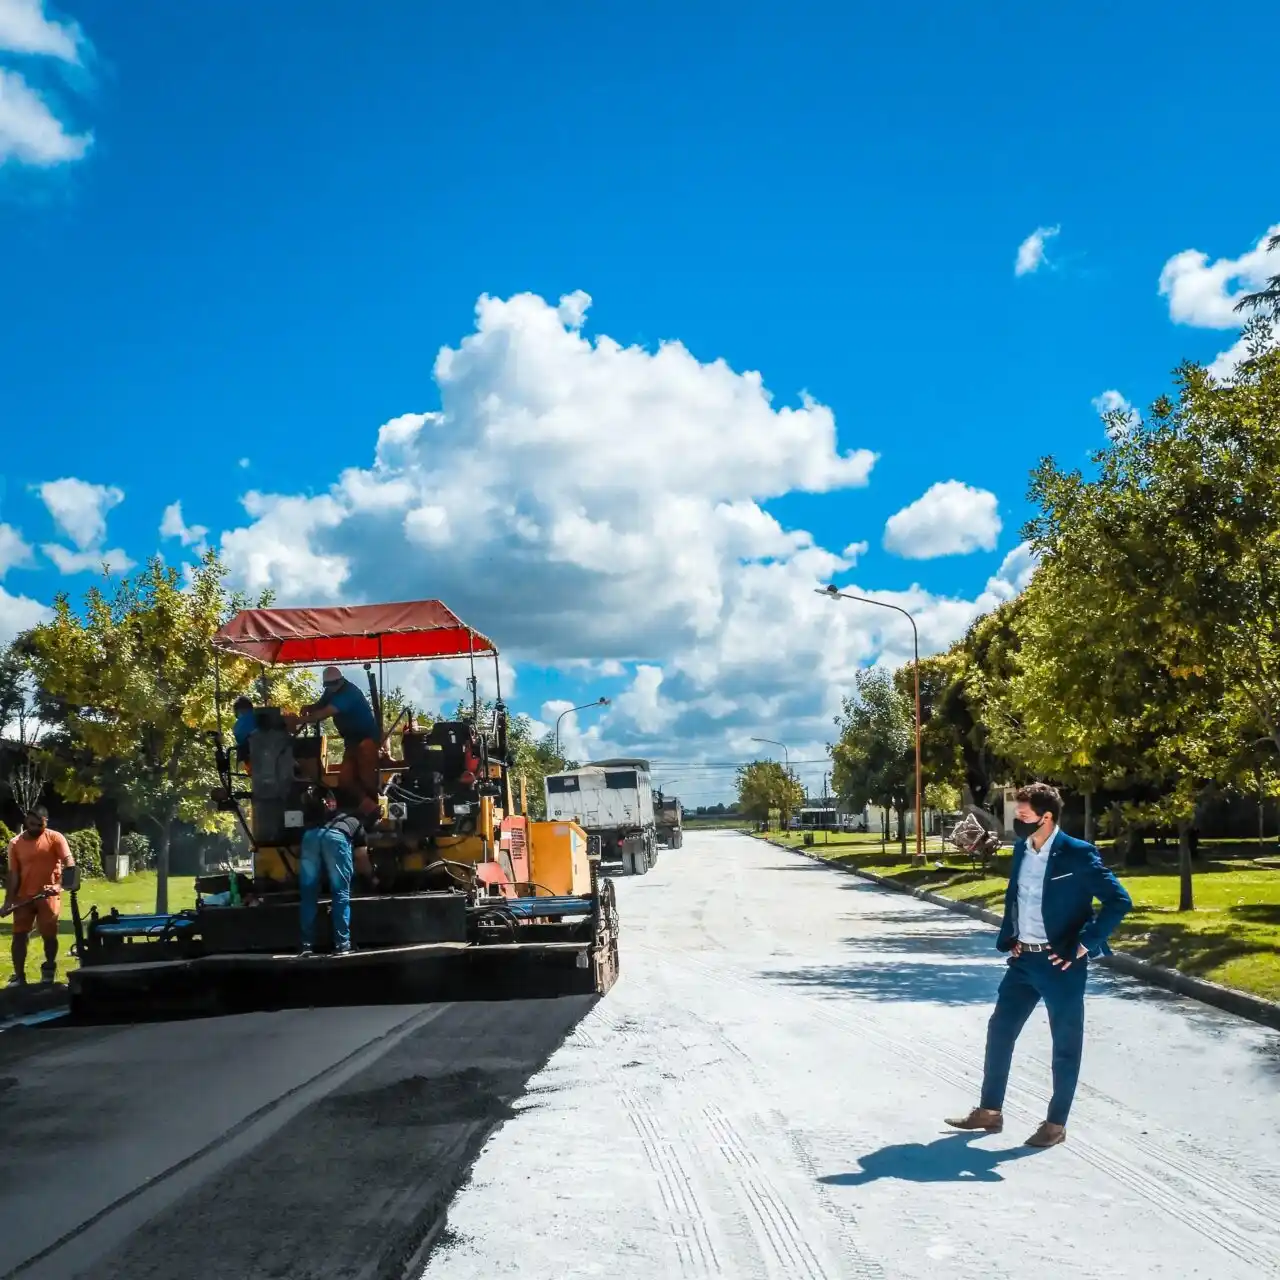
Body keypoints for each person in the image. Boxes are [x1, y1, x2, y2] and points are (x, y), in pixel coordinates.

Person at [946, 782, 1132, 1148]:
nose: (1017, 820)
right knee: (1000, 1031)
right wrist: (1013, 938)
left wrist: (1082, 946)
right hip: (1023, 961)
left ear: (1046, 817)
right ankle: (990, 1111)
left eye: (1023, 815)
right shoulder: (1021, 850)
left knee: (1064, 1044)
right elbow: (1018, 898)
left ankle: (1055, 1124)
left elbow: (1119, 901)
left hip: (1061, 964)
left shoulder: (1077, 854)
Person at [1, 807, 76, 987]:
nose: (35, 827)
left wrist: (58, 886)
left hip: (48, 895)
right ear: (26, 822)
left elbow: (69, 863)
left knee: (49, 936)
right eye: (31, 823)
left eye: (39, 824)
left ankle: (49, 970)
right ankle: (19, 976)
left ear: (46, 822)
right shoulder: (15, 843)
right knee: (19, 936)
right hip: (23, 897)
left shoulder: (55, 838)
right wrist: (8, 902)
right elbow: (14, 874)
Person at [292, 666, 381, 816]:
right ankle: (367, 806)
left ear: (341, 680)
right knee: (345, 780)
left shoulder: (349, 693)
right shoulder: (331, 690)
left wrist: (298, 721)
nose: (331, 688)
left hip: (368, 738)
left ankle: (374, 807)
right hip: (351, 741)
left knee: (367, 776)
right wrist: (310, 707)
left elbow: (324, 713)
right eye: (327, 686)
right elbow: (321, 705)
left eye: (333, 685)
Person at [297, 789, 368, 956]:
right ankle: (342, 944)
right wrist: (372, 879)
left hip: (311, 837)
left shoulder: (316, 820)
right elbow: (361, 857)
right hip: (336, 839)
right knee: (340, 893)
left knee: (308, 895)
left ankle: (306, 945)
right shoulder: (354, 822)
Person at [232, 695, 256, 773]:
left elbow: (240, 738)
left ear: (238, 711)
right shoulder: (259, 717)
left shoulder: (237, 726)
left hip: (252, 757)